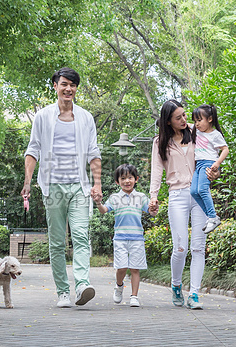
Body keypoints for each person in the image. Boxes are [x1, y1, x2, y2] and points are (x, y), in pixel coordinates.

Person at [22, 68, 102, 308]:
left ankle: (81, 286)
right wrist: (27, 181)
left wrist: (97, 183)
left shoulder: (86, 117)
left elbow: (94, 153)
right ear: (55, 86)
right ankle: (63, 292)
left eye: (73, 85)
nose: (69, 89)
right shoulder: (43, 116)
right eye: (65, 84)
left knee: (80, 235)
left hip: (79, 185)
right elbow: (33, 149)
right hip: (53, 185)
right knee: (57, 242)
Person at [148, 99, 219, 310]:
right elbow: (156, 171)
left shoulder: (197, 133)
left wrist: (215, 172)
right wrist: (153, 196)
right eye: (178, 118)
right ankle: (176, 284)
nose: (185, 120)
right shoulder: (160, 141)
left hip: (199, 194)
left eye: (185, 115)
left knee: (198, 247)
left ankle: (194, 293)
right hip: (177, 196)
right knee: (180, 247)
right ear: (168, 121)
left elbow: (212, 157)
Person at [94, 164, 149, 308]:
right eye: (123, 178)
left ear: (136, 179)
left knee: (135, 268)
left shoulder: (141, 197)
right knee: (122, 267)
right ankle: (119, 286)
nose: (127, 181)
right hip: (120, 238)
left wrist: (155, 206)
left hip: (137, 238)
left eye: (130, 177)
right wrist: (98, 203)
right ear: (117, 182)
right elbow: (104, 210)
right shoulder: (115, 197)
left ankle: (134, 296)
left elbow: (151, 210)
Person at [190, 104, 229, 234]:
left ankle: (212, 217)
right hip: (198, 164)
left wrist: (217, 163)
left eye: (199, 120)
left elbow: (225, 149)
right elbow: (182, 125)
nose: (197, 124)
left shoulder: (215, 134)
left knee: (202, 189)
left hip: (208, 163)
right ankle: (212, 217)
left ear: (210, 119)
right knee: (194, 192)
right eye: (195, 121)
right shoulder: (196, 131)